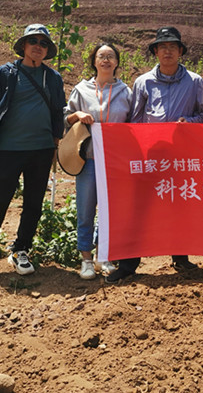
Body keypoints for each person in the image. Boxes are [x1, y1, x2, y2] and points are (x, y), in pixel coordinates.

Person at [106, 26, 203, 283]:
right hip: (150, 158)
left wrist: (190, 122)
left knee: (180, 205)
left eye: (173, 47)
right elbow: (135, 120)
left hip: (182, 157)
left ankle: (181, 257)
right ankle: (129, 264)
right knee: (139, 208)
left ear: (181, 52)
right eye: (162, 47)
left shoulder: (195, 82)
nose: (167, 51)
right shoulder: (143, 82)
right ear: (155, 52)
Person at [0, 24, 66, 280]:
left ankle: (21, 250)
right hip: (9, 150)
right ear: (23, 45)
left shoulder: (52, 78)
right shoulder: (6, 73)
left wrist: (55, 143)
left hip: (42, 150)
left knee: (34, 203)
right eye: (33, 41)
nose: (38, 46)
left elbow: (58, 112)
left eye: (43, 43)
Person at [64, 43, 132, 280]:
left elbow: (133, 124)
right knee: (85, 208)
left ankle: (104, 257)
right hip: (88, 159)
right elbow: (65, 118)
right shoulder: (81, 90)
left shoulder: (126, 92)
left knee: (109, 211)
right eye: (101, 56)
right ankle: (85, 258)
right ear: (93, 61)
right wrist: (77, 115)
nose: (106, 60)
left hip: (114, 162)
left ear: (116, 63)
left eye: (111, 56)